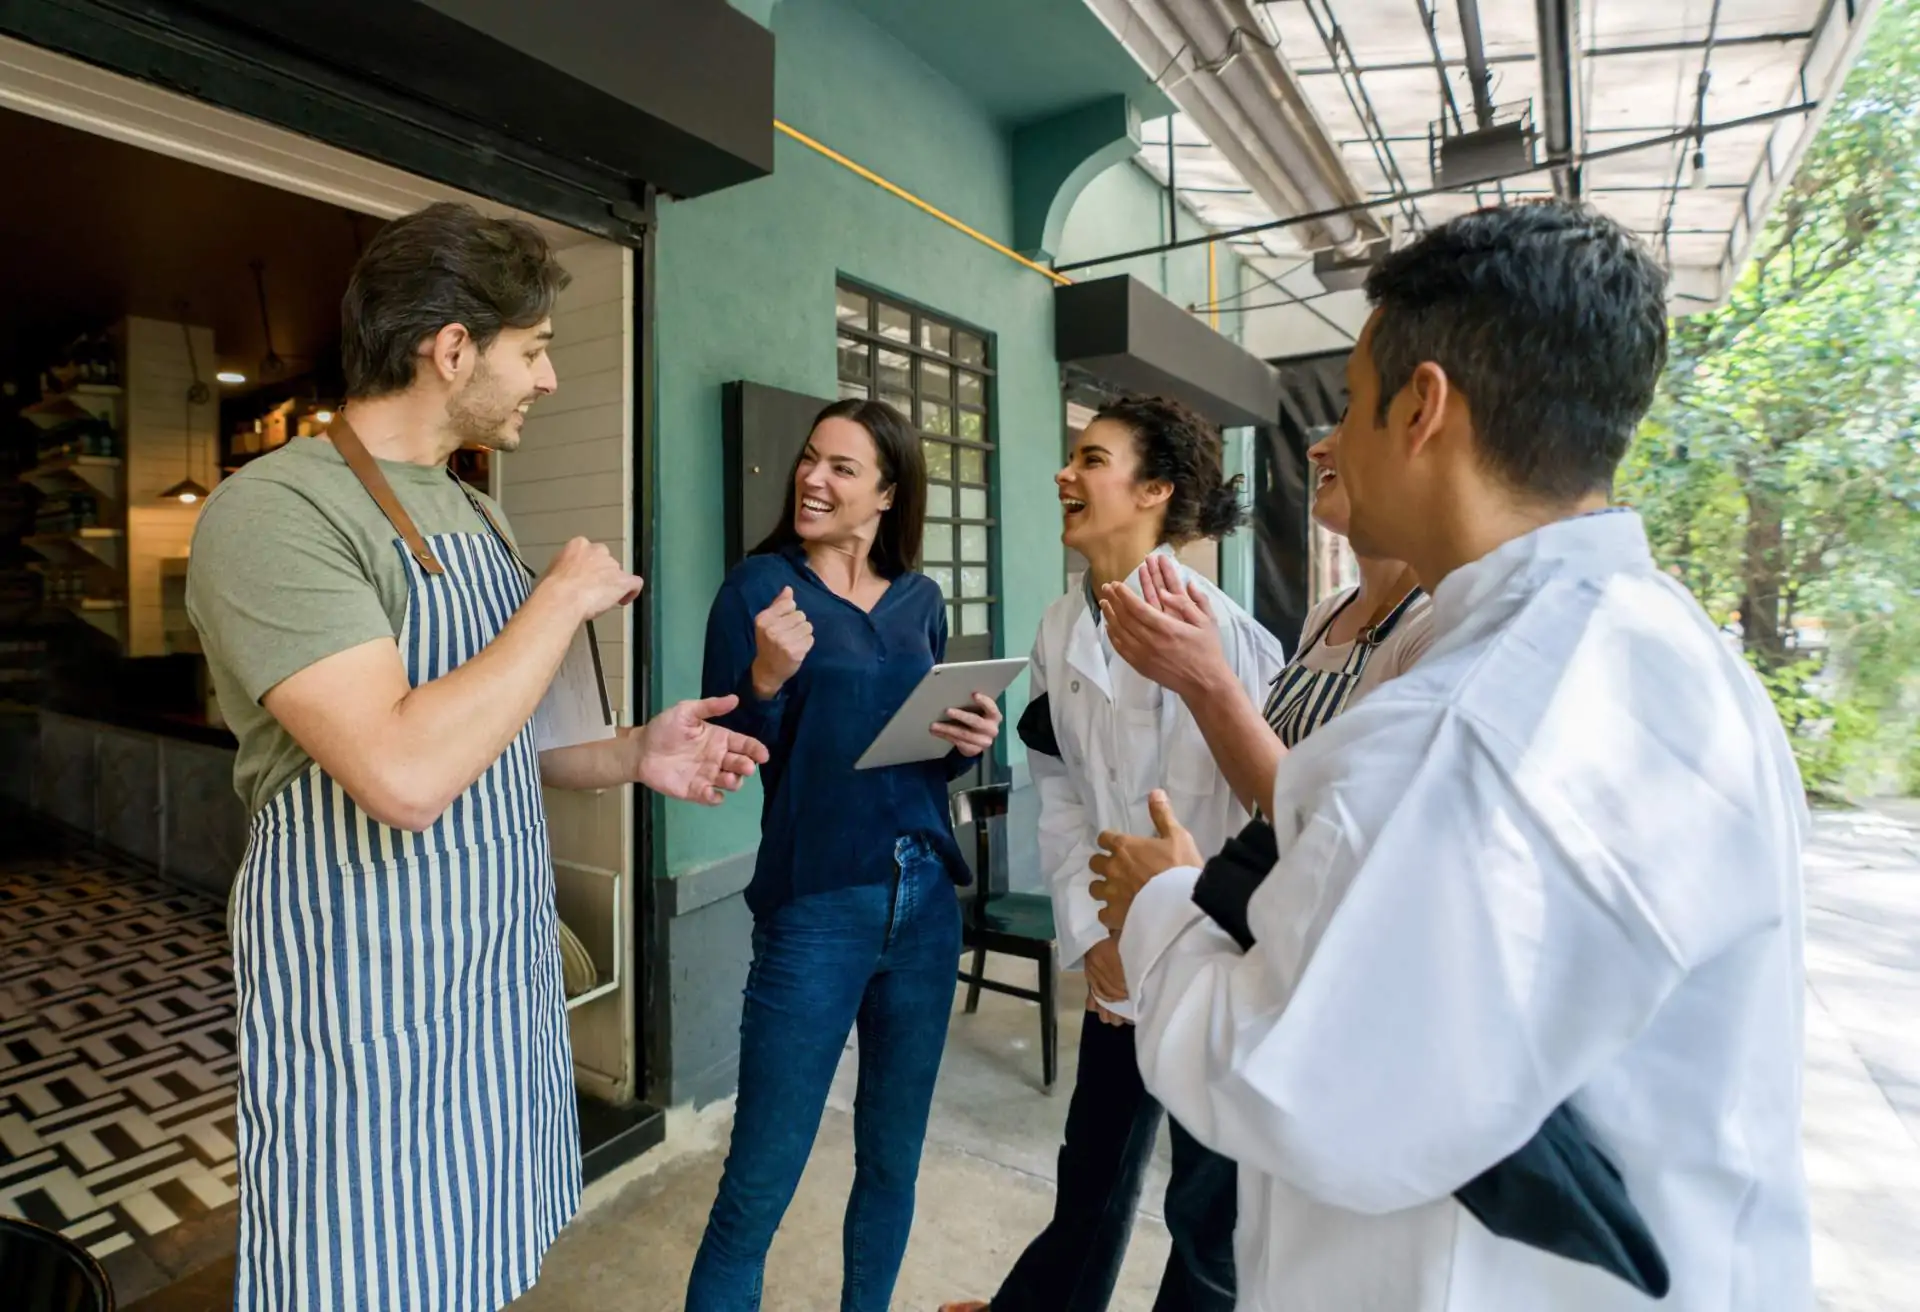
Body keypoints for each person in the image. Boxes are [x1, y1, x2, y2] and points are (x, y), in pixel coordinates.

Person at [1089, 200, 1811, 1311]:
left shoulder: (1472, 725)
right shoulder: (1669, 657)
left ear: (1422, 408)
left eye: (1353, 402)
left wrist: (1161, 905)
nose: (1330, 440)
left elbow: (1308, 1088)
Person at [186, 203, 768, 1312]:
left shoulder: (475, 514)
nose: (548, 381)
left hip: (490, 969)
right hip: (362, 981)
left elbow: (515, 742)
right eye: (536, 349)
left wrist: (634, 751)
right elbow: (404, 774)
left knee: (475, 1247)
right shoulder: (275, 511)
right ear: (452, 349)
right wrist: (554, 604)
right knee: (355, 1267)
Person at [942, 396, 1286, 1312]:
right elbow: (1059, 786)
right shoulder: (1061, 627)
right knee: (1091, 1173)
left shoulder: (1228, 637)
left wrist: (1165, 941)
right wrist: (1090, 931)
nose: (1065, 474)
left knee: (1211, 1216)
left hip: (1214, 963)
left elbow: (1267, 820)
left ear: (1155, 491)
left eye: (1090, 459)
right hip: (1113, 957)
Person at [689, 398, 1003, 1311]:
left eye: (843, 468)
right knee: (756, 1188)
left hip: (924, 899)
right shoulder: (758, 590)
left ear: (887, 494)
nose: (814, 479)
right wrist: (764, 681)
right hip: (817, 901)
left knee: (891, 1164)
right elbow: (725, 751)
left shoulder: (921, 599)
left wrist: (966, 740)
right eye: (810, 460)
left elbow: (927, 753)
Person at [1097, 422, 1431, 813]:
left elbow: (1347, 832)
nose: (1316, 450)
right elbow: (1263, 803)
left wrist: (1207, 681)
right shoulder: (1326, 615)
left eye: (1348, 424)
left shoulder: (1434, 627)